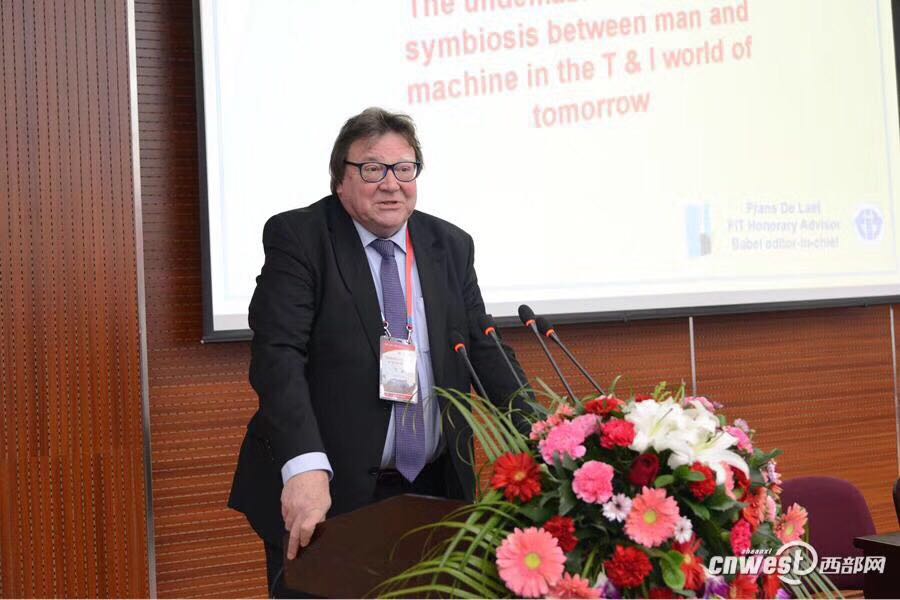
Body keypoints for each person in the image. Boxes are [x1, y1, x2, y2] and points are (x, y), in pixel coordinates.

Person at [228, 107, 529, 596]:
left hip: (433, 490)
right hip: (329, 489)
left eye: (404, 169)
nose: (391, 184)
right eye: (373, 169)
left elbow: (482, 348)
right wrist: (304, 465)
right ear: (340, 178)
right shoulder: (300, 238)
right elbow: (278, 357)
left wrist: (547, 436)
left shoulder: (449, 245)